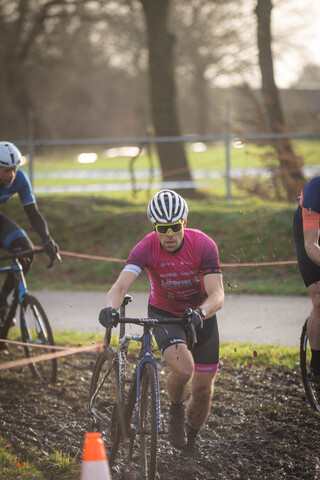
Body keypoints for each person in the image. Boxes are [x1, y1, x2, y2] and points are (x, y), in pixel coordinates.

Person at [99, 189, 224, 450]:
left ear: (184, 224)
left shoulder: (203, 244)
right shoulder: (146, 247)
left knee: (203, 390)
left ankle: (190, 438)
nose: (169, 235)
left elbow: (217, 294)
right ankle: (175, 409)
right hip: (165, 314)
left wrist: (201, 312)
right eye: (162, 228)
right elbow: (120, 287)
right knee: (184, 369)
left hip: (199, 315)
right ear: (154, 226)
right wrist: (110, 308)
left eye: (175, 227)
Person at [0, 141, 59, 347]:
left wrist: (46, 240)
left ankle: (2, 300)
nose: (12, 175)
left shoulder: (20, 179)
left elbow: (33, 213)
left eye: (15, 169)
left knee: (26, 251)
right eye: (7, 170)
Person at [293, 175, 320, 382]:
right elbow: (311, 247)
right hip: (310, 236)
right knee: (319, 298)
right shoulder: (314, 191)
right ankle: (318, 367)